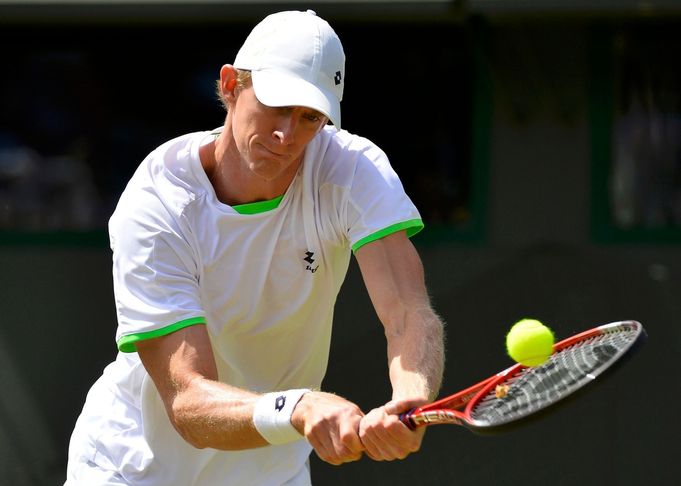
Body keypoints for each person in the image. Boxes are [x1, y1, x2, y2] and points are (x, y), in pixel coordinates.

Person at [65, 9, 445, 486]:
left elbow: (409, 311)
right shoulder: (158, 201)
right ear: (229, 85)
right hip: (131, 469)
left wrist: (410, 397)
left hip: (270, 472)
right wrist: (299, 406)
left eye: (310, 117)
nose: (288, 135)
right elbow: (188, 401)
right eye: (276, 105)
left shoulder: (351, 170)